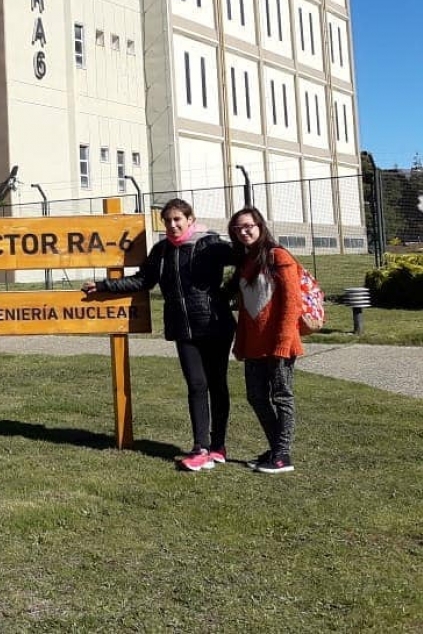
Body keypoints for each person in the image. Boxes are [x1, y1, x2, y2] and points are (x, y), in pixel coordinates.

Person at [82, 198, 235, 471]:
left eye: (177, 219)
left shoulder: (209, 244)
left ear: (190, 219)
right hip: (182, 328)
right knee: (196, 386)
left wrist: (228, 293)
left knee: (217, 385)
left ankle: (218, 445)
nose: (172, 225)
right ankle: (201, 447)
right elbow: (143, 280)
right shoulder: (162, 250)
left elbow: (244, 259)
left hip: (214, 325)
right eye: (167, 221)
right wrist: (106, 285)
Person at [228, 206, 304, 474]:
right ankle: (276, 449)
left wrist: (283, 341)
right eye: (238, 228)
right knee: (256, 396)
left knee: (282, 397)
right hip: (254, 346)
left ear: (260, 226)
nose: (244, 232)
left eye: (248, 226)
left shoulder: (278, 256)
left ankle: (282, 455)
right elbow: (247, 310)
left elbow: (291, 303)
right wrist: (240, 343)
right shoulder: (246, 263)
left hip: (279, 343)